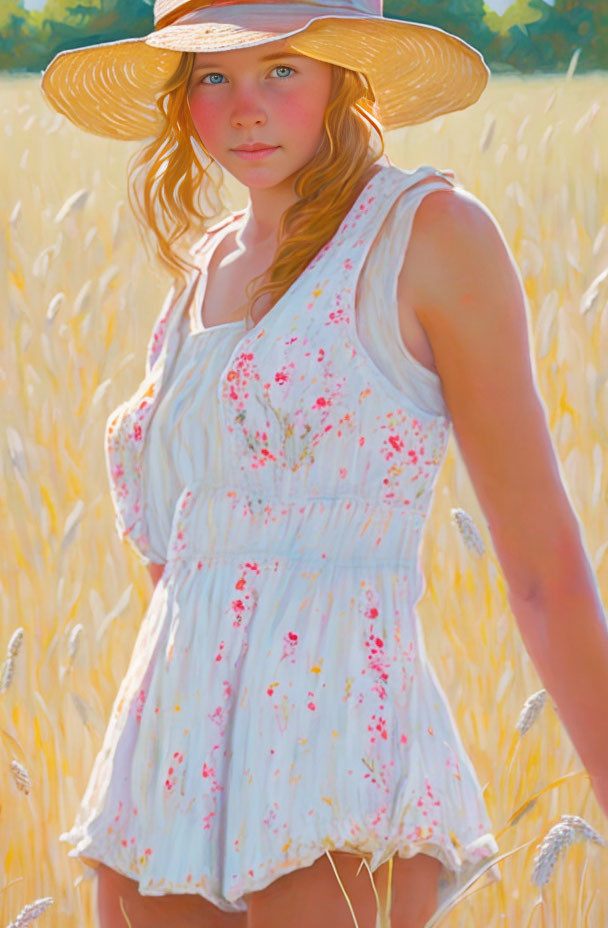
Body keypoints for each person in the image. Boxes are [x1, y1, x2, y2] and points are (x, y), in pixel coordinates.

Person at [41, 2, 608, 927]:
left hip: (335, 734)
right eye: (214, 75)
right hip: (168, 758)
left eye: (282, 71)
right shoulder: (204, 270)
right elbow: (179, 557)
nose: (245, 108)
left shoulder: (428, 235)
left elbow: (543, 566)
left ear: (346, 78)